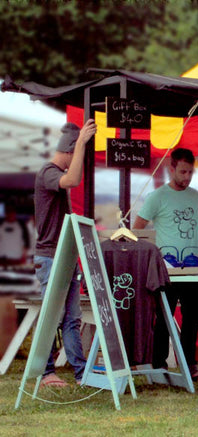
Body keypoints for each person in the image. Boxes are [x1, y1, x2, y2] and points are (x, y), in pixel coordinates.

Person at [133, 148, 198, 383]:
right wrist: (149, 260)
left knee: (192, 318)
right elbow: (137, 229)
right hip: (166, 270)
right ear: (171, 168)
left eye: (190, 172)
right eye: (183, 171)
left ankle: (190, 365)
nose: (187, 177)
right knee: (163, 318)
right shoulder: (157, 197)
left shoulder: (196, 196)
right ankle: (158, 365)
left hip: (194, 269)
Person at [34, 120, 97, 387]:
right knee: (52, 316)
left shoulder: (52, 173)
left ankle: (81, 373)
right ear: (71, 150)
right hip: (50, 256)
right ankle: (47, 372)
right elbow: (72, 179)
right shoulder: (48, 172)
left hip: (64, 256)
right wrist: (82, 141)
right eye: (78, 153)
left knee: (71, 318)